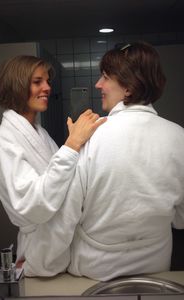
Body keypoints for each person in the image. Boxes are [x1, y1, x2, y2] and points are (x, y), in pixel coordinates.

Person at [55, 41, 184, 281]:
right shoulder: (179, 137)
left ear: (128, 87)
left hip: (94, 273)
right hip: (155, 270)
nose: (98, 84)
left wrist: (44, 264)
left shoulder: (92, 136)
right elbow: (181, 218)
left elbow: (67, 215)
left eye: (105, 77)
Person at [0, 55, 106, 276]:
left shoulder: (40, 133)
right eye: (37, 82)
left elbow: (62, 180)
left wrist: (78, 148)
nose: (47, 88)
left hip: (59, 245)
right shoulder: (3, 139)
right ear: (17, 86)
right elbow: (32, 204)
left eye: (48, 81)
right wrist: (71, 146)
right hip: (41, 250)